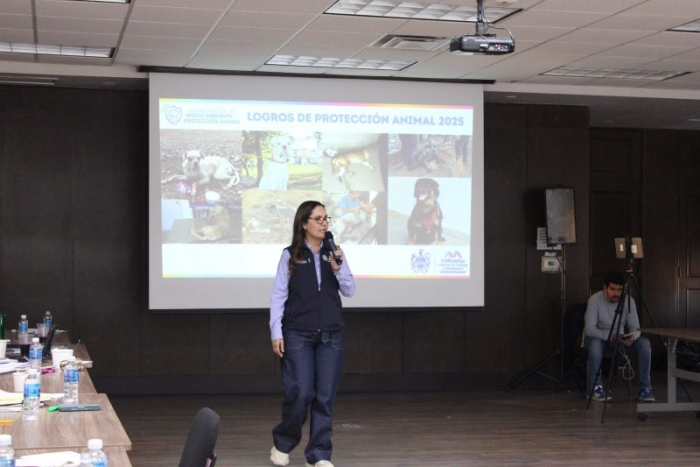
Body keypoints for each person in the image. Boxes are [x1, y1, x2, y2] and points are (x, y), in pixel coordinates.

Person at [269, 200, 356, 467]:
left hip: (332, 335)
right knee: (301, 393)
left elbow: (350, 290)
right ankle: (283, 442)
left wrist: (338, 268)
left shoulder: (335, 253)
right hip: (297, 334)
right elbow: (278, 295)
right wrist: (276, 331)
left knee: (324, 397)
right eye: (318, 219)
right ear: (304, 223)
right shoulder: (290, 255)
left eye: (326, 218)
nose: (324, 223)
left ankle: (318, 454)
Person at [584, 271, 654, 403]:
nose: (616, 293)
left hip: (620, 340)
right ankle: (595, 388)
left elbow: (636, 328)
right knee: (595, 345)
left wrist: (631, 337)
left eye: (619, 290)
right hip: (599, 338)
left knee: (644, 344)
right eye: (612, 289)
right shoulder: (594, 300)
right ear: (605, 288)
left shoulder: (628, 301)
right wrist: (610, 336)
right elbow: (589, 329)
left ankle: (645, 388)